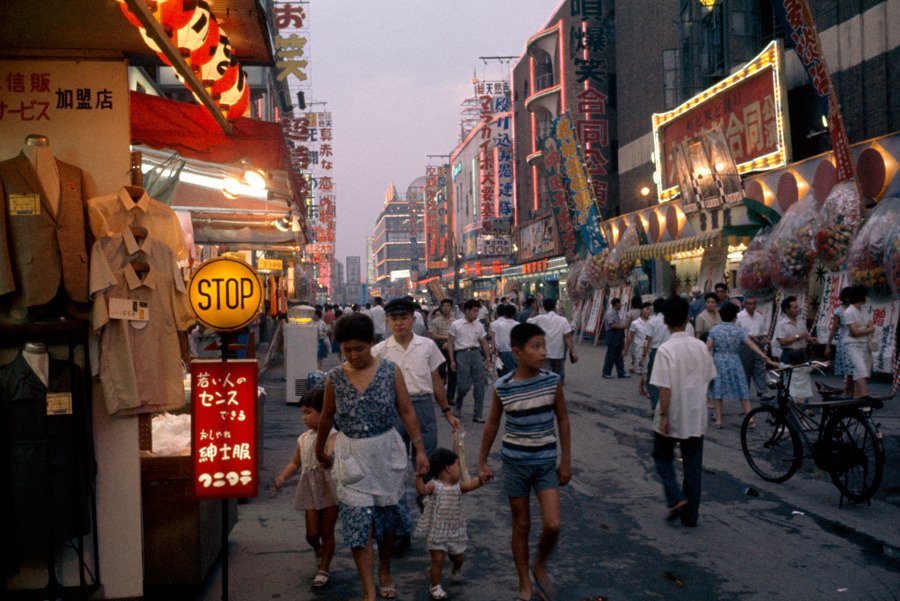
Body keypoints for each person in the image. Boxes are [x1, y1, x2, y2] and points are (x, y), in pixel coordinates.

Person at [315, 312, 430, 601]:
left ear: (371, 343)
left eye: (359, 348)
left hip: (386, 454)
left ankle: (385, 570)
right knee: (357, 522)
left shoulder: (391, 371)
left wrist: (420, 449)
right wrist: (319, 449)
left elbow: (406, 411)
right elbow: (327, 416)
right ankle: (369, 589)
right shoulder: (335, 378)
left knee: (387, 520)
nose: (353, 355)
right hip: (351, 455)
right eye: (347, 350)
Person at [478, 323, 571, 601]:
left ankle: (538, 563)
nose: (543, 352)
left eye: (544, 345)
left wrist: (566, 460)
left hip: (545, 463)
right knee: (521, 525)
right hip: (515, 465)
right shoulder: (503, 387)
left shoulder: (551, 381)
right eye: (536, 347)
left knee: (553, 524)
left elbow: (563, 420)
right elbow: (492, 424)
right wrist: (481, 460)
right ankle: (524, 583)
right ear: (517, 352)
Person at [649, 296, 717, 527]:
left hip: (673, 414)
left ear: (666, 321)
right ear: (688, 318)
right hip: (696, 414)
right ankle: (691, 516)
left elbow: (664, 388)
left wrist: (664, 415)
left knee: (662, 456)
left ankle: (676, 497)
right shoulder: (700, 346)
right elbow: (708, 378)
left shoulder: (666, 349)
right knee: (692, 465)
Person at [274, 388, 339, 589]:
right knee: (312, 534)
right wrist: (283, 476)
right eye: (303, 413)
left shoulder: (334, 436)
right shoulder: (303, 438)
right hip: (310, 488)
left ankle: (324, 569)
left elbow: (329, 458)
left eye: (309, 412)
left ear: (324, 412)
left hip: (330, 489)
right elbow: (296, 463)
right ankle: (317, 547)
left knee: (327, 530)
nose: (304, 417)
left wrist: (327, 459)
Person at [415, 448, 488, 600]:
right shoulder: (434, 485)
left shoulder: (457, 486)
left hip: (455, 531)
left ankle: (456, 568)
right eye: (457, 466)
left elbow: (470, 485)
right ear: (448, 468)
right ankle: (435, 586)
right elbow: (422, 491)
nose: (460, 471)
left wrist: (481, 480)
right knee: (438, 561)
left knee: (458, 558)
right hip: (437, 532)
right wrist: (419, 477)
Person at [707, 303, 779, 428]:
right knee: (742, 390)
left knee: (717, 390)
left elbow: (707, 347)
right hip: (735, 360)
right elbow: (750, 344)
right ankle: (750, 418)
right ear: (735, 317)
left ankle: (718, 420)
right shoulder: (738, 330)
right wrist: (763, 355)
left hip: (719, 362)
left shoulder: (715, 330)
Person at [448, 299, 492, 423]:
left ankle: (477, 414)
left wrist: (488, 359)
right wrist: (452, 360)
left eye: (477, 311)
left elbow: (483, 342)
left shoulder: (479, 325)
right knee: (463, 386)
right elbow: (450, 343)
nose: (476, 314)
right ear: (466, 311)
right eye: (474, 311)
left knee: (479, 386)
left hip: (476, 355)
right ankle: (458, 402)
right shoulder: (455, 325)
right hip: (461, 355)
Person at [774, 295, 817, 407]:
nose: (797, 309)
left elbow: (805, 336)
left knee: (804, 379)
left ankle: (803, 406)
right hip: (789, 354)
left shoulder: (801, 321)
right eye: (794, 307)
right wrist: (798, 336)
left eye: (797, 307)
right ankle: (781, 406)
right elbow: (782, 341)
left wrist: (810, 339)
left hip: (801, 353)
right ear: (786, 309)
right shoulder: (782, 324)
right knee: (785, 380)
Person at [528, 298, 578, 384]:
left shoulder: (540, 318)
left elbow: (528, 321)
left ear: (544, 307)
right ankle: (558, 387)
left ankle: (549, 387)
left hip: (545, 351)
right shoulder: (563, 320)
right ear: (555, 306)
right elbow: (568, 337)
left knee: (546, 373)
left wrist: (535, 310)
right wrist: (572, 351)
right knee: (558, 372)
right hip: (558, 352)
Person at [842, 285, 875, 399]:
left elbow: (868, 326)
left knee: (860, 370)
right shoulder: (849, 312)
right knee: (861, 369)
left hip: (864, 343)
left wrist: (862, 330)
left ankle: (856, 398)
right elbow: (854, 332)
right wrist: (867, 329)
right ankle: (865, 397)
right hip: (852, 344)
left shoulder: (863, 310)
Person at [736, 295, 769, 399]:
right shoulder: (739, 316)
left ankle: (762, 392)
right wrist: (746, 336)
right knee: (746, 369)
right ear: (744, 304)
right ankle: (745, 392)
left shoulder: (759, 317)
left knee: (759, 368)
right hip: (745, 345)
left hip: (758, 343)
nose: (752, 306)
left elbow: (763, 332)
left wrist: (764, 339)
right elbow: (735, 332)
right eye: (749, 303)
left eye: (754, 303)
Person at [824, 287, 853, 394]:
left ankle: (848, 391)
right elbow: (833, 329)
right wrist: (828, 346)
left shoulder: (856, 309)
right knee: (850, 369)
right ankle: (848, 391)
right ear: (845, 298)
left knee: (854, 368)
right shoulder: (839, 311)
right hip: (844, 341)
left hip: (856, 340)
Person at [641, 297, 669, 410]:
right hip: (670, 351)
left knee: (652, 379)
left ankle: (656, 405)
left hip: (657, 352)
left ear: (654, 308)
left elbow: (647, 339)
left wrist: (643, 355)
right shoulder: (671, 319)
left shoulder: (652, 321)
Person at [429, 299, 457, 401]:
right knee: (440, 373)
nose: (446, 308)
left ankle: (450, 397)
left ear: (451, 308)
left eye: (448, 306)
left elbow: (458, 336)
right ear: (441, 307)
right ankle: (439, 394)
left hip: (452, 349)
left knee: (452, 373)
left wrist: (450, 342)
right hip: (439, 349)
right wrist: (448, 339)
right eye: (444, 306)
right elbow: (434, 335)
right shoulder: (435, 321)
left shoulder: (455, 322)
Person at [624, 302, 652, 396]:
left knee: (646, 369)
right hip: (639, 349)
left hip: (650, 348)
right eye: (647, 309)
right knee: (644, 370)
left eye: (650, 309)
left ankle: (641, 386)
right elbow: (630, 338)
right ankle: (649, 391)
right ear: (641, 310)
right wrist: (625, 350)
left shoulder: (652, 321)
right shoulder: (635, 323)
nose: (649, 311)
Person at [601, 298, 628, 379]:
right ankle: (606, 373)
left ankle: (621, 372)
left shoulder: (616, 313)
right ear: (616, 304)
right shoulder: (610, 313)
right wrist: (623, 326)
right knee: (611, 354)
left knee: (619, 354)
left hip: (618, 334)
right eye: (620, 303)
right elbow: (611, 325)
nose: (621, 305)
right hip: (612, 334)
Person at [490, 302, 519, 376]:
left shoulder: (500, 325)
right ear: (515, 314)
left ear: (505, 314)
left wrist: (496, 352)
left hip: (503, 353)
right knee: (515, 373)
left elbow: (497, 340)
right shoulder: (518, 325)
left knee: (503, 374)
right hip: (515, 352)